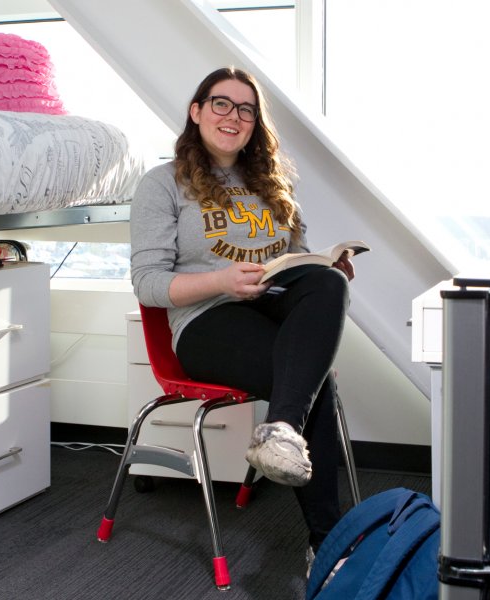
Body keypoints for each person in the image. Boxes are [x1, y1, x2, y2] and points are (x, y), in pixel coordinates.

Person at [129, 66, 355, 570]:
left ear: (255, 123)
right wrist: (222, 281)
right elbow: (147, 283)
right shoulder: (162, 184)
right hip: (207, 320)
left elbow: (294, 258)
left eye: (246, 109)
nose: (234, 116)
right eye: (221, 104)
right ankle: (328, 541)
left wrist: (326, 265)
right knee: (315, 387)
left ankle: (280, 433)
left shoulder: (272, 183)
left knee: (328, 281)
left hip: (271, 309)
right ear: (197, 111)